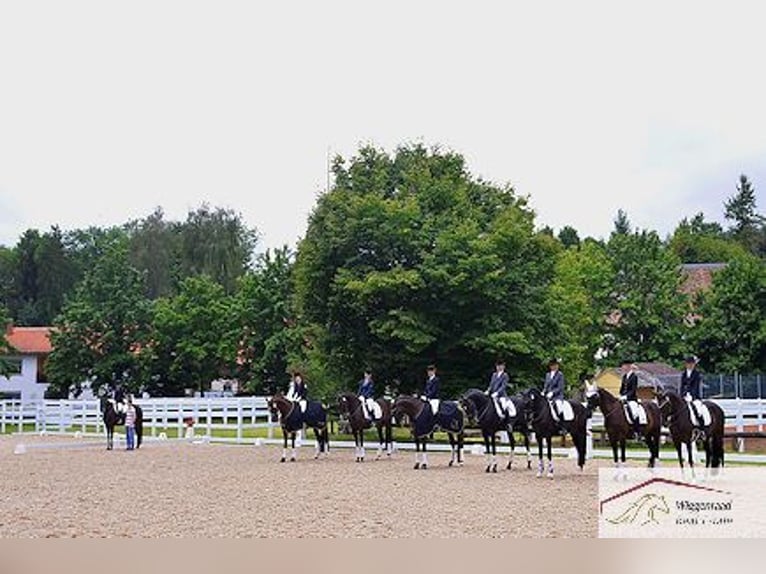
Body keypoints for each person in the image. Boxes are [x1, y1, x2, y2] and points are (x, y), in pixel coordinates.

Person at [619, 360, 641, 437]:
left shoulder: (634, 377)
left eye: (624, 366)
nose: (622, 367)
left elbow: (633, 390)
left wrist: (626, 396)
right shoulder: (624, 377)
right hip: (623, 399)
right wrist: (621, 395)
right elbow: (622, 388)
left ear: (628, 367)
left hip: (632, 399)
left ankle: (637, 431)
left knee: (634, 412)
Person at [680, 355, 704, 427]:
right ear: (686, 364)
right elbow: (682, 386)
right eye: (688, 363)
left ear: (694, 364)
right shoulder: (684, 374)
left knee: (698, 409)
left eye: (692, 363)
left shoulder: (696, 374)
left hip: (694, 396)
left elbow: (696, 386)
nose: (690, 365)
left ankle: (701, 426)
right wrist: (682, 395)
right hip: (685, 395)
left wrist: (692, 396)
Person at [543, 358, 566, 423]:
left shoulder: (560, 375)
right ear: (550, 366)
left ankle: (562, 424)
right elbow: (546, 385)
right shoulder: (547, 375)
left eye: (556, 365)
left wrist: (552, 393)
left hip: (557, 396)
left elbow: (560, 387)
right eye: (553, 365)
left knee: (559, 406)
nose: (555, 367)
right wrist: (543, 391)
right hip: (548, 396)